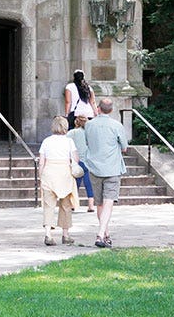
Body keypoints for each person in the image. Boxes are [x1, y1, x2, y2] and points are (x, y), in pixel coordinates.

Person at [83, 96, 128, 248]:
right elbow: (124, 147)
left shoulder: (89, 125)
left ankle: (106, 234)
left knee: (100, 204)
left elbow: (87, 142)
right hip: (112, 168)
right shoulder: (117, 125)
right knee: (108, 202)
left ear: (98, 108)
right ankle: (101, 234)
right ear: (112, 110)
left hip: (94, 167)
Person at [38, 115, 81, 245]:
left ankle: (48, 234)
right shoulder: (69, 142)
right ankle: (65, 234)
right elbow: (76, 159)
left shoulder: (46, 141)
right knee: (66, 205)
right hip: (64, 174)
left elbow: (41, 162)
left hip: (49, 173)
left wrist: (41, 176)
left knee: (48, 205)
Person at [67, 113, 96, 212]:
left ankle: (72, 204)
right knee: (89, 184)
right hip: (89, 161)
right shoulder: (91, 133)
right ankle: (91, 205)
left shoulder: (72, 133)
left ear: (76, 122)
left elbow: (65, 142)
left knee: (75, 184)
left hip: (77, 161)